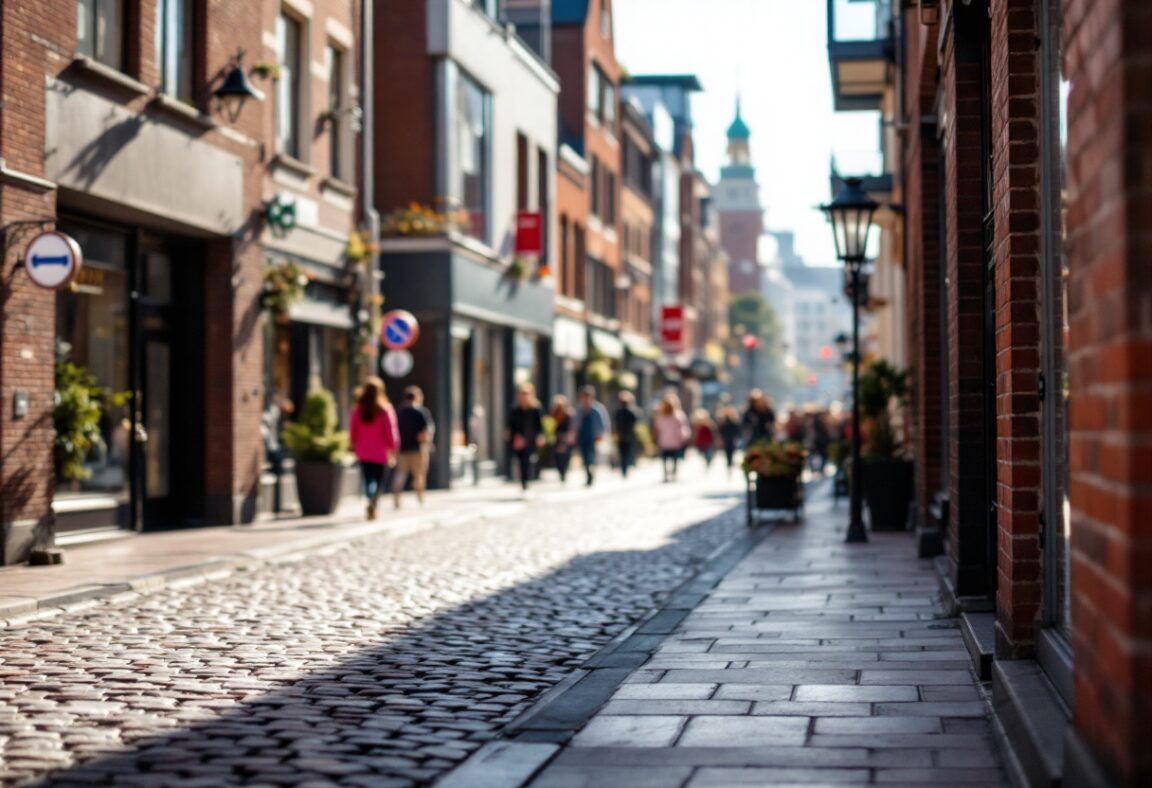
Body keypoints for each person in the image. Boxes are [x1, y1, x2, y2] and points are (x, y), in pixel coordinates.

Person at [349, 377, 399, 521]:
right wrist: (393, 447)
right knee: (379, 480)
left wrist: (353, 444)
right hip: (381, 452)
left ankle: (370, 497)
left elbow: (353, 429)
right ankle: (374, 502)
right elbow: (391, 430)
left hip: (364, 451)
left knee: (368, 479)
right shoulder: (385, 408)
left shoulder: (358, 409)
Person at [392, 385, 435, 509]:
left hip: (402, 448)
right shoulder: (421, 411)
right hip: (418, 448)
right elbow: (427, 430)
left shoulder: (398, 412)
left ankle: (396, 500)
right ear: (417, 397)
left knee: (400, 473)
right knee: (419, 475)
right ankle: (420, 498)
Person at [506, 383, 544, 492]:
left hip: (530, 439)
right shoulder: (515, 409)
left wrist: (540, 436)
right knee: (520, 460)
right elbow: (511, 425)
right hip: (518, 440)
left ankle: (525, 482)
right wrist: (512, 436)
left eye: (526, 394)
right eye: (522, 394)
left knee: (526, 460)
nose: (524, 397)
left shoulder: (536, 409)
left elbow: (539, 425)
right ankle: (523, 481)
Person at [572, 386, 609, 486]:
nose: (585, 399)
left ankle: (591, 473)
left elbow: (604, 423)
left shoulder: (597, 409)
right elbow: (575, 423)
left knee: (591, 456)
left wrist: (602, 434)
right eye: (583, 397)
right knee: (584, 457)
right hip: (582, 436)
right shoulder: (579, 409)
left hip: (593, 436)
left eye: (587, 397)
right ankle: (588, 473)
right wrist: (573, 434)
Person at [653, 393, 691, 482]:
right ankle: (674, 473)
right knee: (675, 458)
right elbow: (683, 428)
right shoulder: (679, 415)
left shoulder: (661, 416)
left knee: (665, 459)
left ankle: (666, 475)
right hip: (675, 441)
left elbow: (657, 428)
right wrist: (683, 438)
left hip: (664, 440)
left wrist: (657, 438)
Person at [614, 391, 644, 478]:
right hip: (626, 435)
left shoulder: (626, 411)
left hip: (625, 434)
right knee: (625, 452)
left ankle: (625, 468)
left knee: (625, 452)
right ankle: (625, 468)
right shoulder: (622, 411)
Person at [549, 395, 575, 483]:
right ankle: (561, 472)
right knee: (558, 456)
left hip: (565, 438)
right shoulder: (553, 414)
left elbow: (571, 426)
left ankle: (564, 472)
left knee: (565, 456)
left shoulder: (568, 414)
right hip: (557, 437)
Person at [717, 405, 742, 475]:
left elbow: (738, 431)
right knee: (728, 453)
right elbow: (720, 432)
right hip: (727, 440)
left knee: (731, 453)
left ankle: (730, 463)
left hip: (731, 440)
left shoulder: (734, 423)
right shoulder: (724, 423)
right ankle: (729, 464)